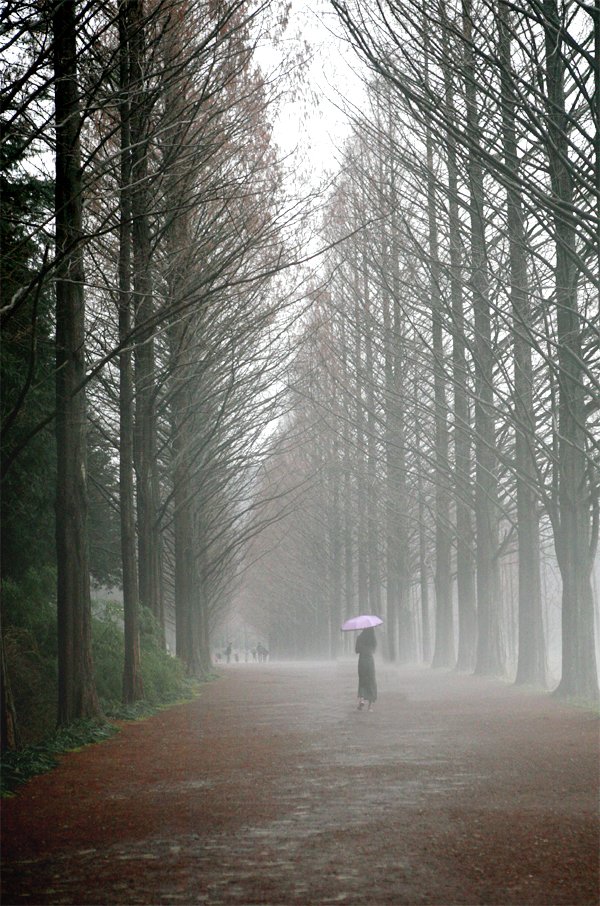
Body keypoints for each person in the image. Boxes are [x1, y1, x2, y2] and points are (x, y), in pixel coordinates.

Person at [355, 627, 377, 711]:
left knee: (362, 680)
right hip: (370, 660)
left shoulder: (359, 637)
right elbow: (374, 650)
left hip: (362, 660)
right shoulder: (373, 638)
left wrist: (362, 648)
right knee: (371, 681)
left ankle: (362, 699)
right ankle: (370, 706)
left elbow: (356, 650)